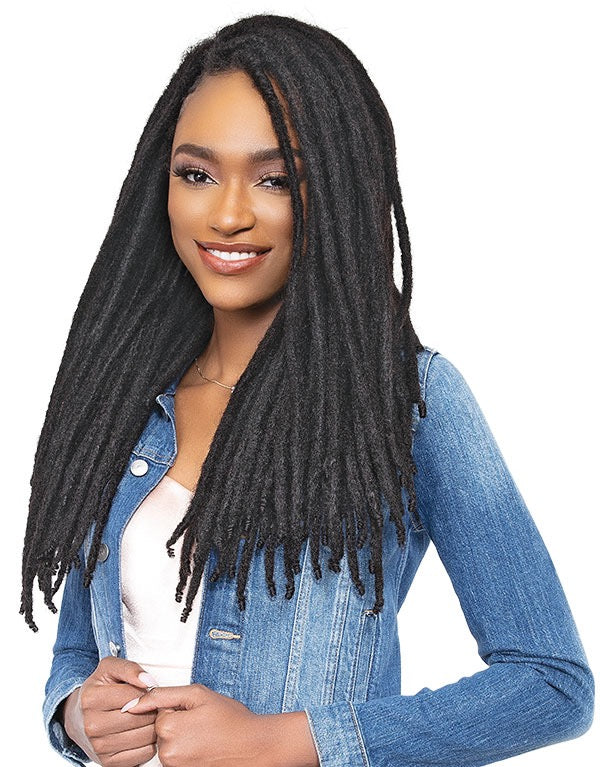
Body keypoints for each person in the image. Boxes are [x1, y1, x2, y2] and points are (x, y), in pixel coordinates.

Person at [21, 13, 593, 767]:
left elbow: (551, 684)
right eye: (196, 174)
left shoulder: (409, 403)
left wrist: (286, 740)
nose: (228, 214)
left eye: (276, 179)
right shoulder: (122, 397)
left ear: (338, 192)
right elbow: (81, 648)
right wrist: (75, 713)